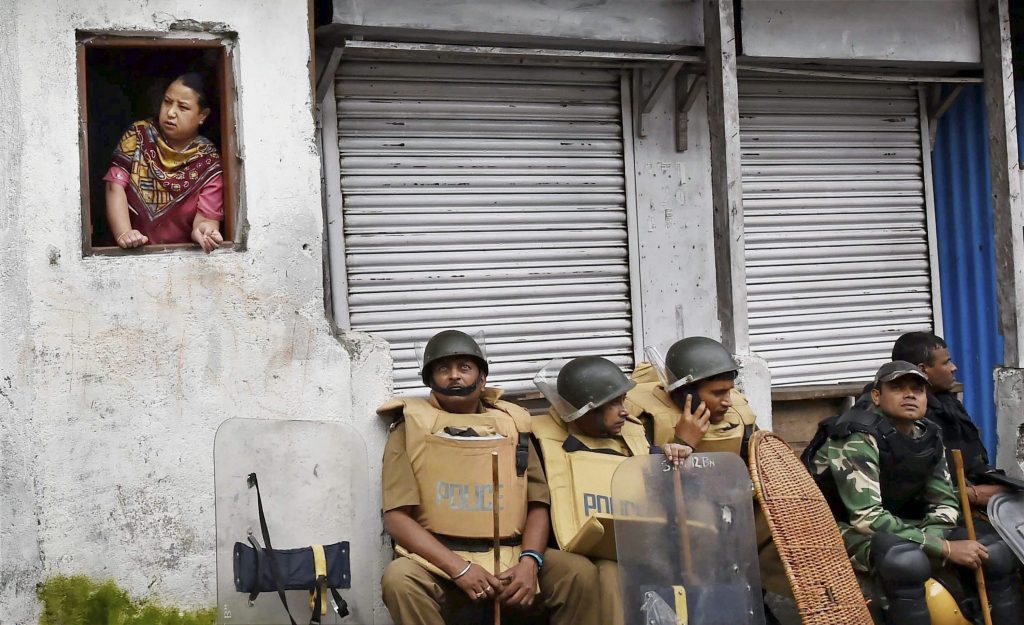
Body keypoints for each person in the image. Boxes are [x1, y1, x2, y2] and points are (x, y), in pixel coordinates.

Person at [377, 330, 599, 625]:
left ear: (482, 378)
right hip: (441, 566)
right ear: (429, 379)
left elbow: (537, 503)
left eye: (464, 368)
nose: (454, 376)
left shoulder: (512, 424)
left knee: (578, 574)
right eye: (443, 369)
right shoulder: (410, 427)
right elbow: (397, 519)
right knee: (399, 579)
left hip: (512, 558)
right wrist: (460, 569)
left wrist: (530, 562)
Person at [809, 361, 1023, 625]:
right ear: (877, 395)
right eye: (897, 388)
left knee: (994, 552)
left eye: (918, 389)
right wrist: (943, 547)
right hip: (841, 528)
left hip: (903, 524)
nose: (909, 395)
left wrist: (933, 539)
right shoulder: (856, 437)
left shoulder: (928, 435)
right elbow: (867, 518)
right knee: (906, 561)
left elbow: (943, 501)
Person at [624, 337, 789, 605]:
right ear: (685, 393)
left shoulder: (738, 416)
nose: (727, 401)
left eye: (729, 391)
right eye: (717, 393)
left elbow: (759, 463)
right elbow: (640, 483)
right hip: (674, 526)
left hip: (734, 512)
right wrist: (682, 443)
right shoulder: (647, 419)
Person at [531, 356, 691, 625]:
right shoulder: (542, 442)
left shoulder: (634, 437)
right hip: (567, 552)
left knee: (614, 574)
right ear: (585, 410)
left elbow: (661, 480)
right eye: (613, 404)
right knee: (604, 575)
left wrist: (676, 450)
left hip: (625, 550)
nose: (625, 411)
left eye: (623, 400)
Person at [892, 332, 1017, 506]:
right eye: (946, 362)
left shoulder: (946, 402)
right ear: (922, 370)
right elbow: (907, 492)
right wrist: (972, 494)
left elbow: (972, 458)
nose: (954, 367)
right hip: (934, 515)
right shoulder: (900, 417)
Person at [104, 72, 224, 253]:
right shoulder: (138, 135)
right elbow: (115, 185)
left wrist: (204, 231)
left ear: (202, 115)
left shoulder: (208, 160)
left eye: (183, 107)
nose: (170, 113)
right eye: (167, 102)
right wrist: (124, 233)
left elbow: (207, 216)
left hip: (177, 260)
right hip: (130, 254)